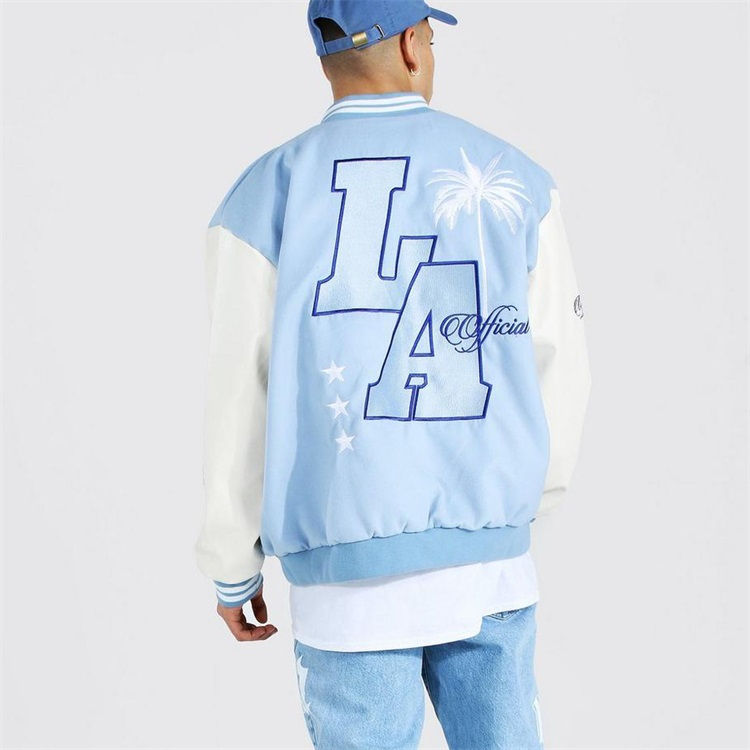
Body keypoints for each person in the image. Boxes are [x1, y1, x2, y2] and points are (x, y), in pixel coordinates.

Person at [195, 1, 591, 747]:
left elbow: (238, 392)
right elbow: (560, 364)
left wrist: (231, 561)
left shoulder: (263, 194)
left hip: (346, 581)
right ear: (412, 45)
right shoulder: (517, 181)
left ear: (324, 56)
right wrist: (520, 504)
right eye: (431, 39)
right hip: (488, 564)